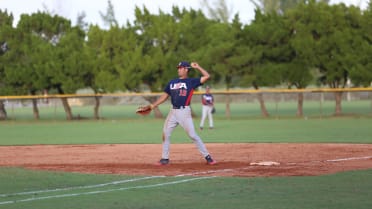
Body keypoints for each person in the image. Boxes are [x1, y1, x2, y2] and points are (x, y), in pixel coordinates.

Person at [147, 61, 217, 165]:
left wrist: (198, 67)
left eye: (181, 68)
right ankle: (165, 159)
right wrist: (153, 106)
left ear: (186, 69)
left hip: (184, 112)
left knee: (193, 135)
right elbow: (164, 96)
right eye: (178, 68)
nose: (179, 69)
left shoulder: (191, 82)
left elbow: (207, 76)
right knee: (165, 133)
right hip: (173, 112)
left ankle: (208, 157)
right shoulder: (172, 82)